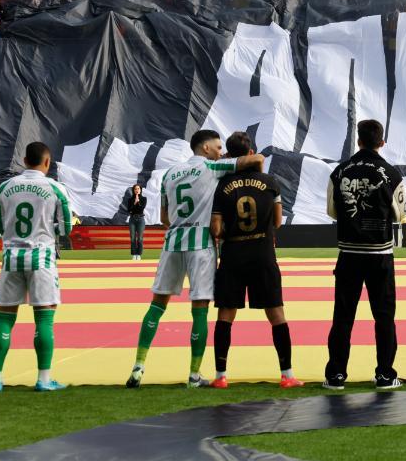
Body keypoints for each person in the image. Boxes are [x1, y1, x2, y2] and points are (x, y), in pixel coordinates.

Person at [125, 129, 264, 389]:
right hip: (200, 243)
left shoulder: (169, 174)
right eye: (219, 147)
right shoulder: (212, 167)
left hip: (173, 242)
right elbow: (255, 161)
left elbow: (165, 218)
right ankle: (193, 374)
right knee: (199, 309)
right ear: (206, 148)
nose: (222, 152)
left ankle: (138, 366)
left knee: (157, 305)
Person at [208, 132, 303, 390]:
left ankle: (220, 375)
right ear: (251, 152)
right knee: (276, 315)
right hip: (262, 254)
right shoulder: (270, 182)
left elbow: (216, 228)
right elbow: (278, 222)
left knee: (225, 316)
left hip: (233, 256)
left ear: (229, 154)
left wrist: (230, 231)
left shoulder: (222, 185)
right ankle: (287, 374)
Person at [323, 119, 406, 390]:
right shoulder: (391, 174)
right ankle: (385, 374)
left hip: (348, 253)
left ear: (358, 140)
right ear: (381, 142)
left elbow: (332, 212)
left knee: (343, 316)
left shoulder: (339, 171)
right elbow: (400, 215)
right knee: (384, 316)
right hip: (380, 254)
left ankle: (336, 375)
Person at [0, 141, 73, 392]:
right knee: (44, 319)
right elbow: (65, 228)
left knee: (4, 318)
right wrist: (49, 229)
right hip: (41, 256)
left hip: (12, 256)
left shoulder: (5, 187)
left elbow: (0, 227)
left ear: (24, 161)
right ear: (47, 162)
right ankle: (44, 379)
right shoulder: (55, 188)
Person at [124, 184, 147, 261]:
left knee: (140, 238)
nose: (137, 190)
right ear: (133, 190)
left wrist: (138, 202)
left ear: (140, 190)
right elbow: (129, 210)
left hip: (140, 219)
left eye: (138, 189)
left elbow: (141, 209)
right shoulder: (130, 199)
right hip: (132, 219)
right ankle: (134, 254)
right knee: (133, 238)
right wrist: (134, 203)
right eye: (135, 189)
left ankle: (139, 254)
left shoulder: (144, 199)